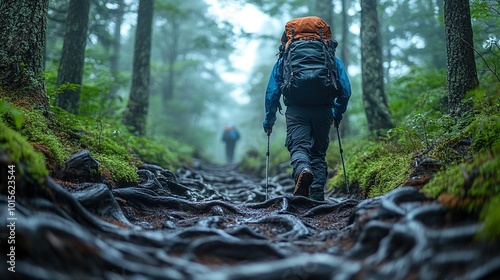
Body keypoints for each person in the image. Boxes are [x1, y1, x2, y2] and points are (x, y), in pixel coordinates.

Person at [263, 18, 352, 201]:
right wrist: (337, 113)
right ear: (322, 35)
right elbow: (345, 90)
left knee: (298, 146)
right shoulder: (331, 58)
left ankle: (303, 169)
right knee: (319, 153)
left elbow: (272, 92)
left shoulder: (286, 58)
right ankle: (317, 194)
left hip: (296, 110)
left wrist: (269, 120)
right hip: (323, 110)